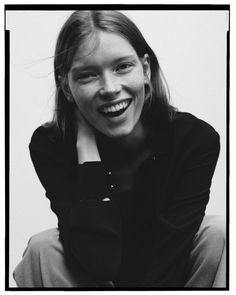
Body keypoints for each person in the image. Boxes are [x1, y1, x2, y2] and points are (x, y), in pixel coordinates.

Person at [13, 10, 225, 288]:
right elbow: (99, 262)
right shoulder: (50, 145)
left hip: (173, 283)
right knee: (43, 248)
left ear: (145, 69)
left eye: (123, 66)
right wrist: (87, 151)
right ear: (66, 86)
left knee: (220, 233)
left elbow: (171, 253)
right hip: (94, 280)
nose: (110, 88)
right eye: (88, 75)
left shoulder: (195, 139)